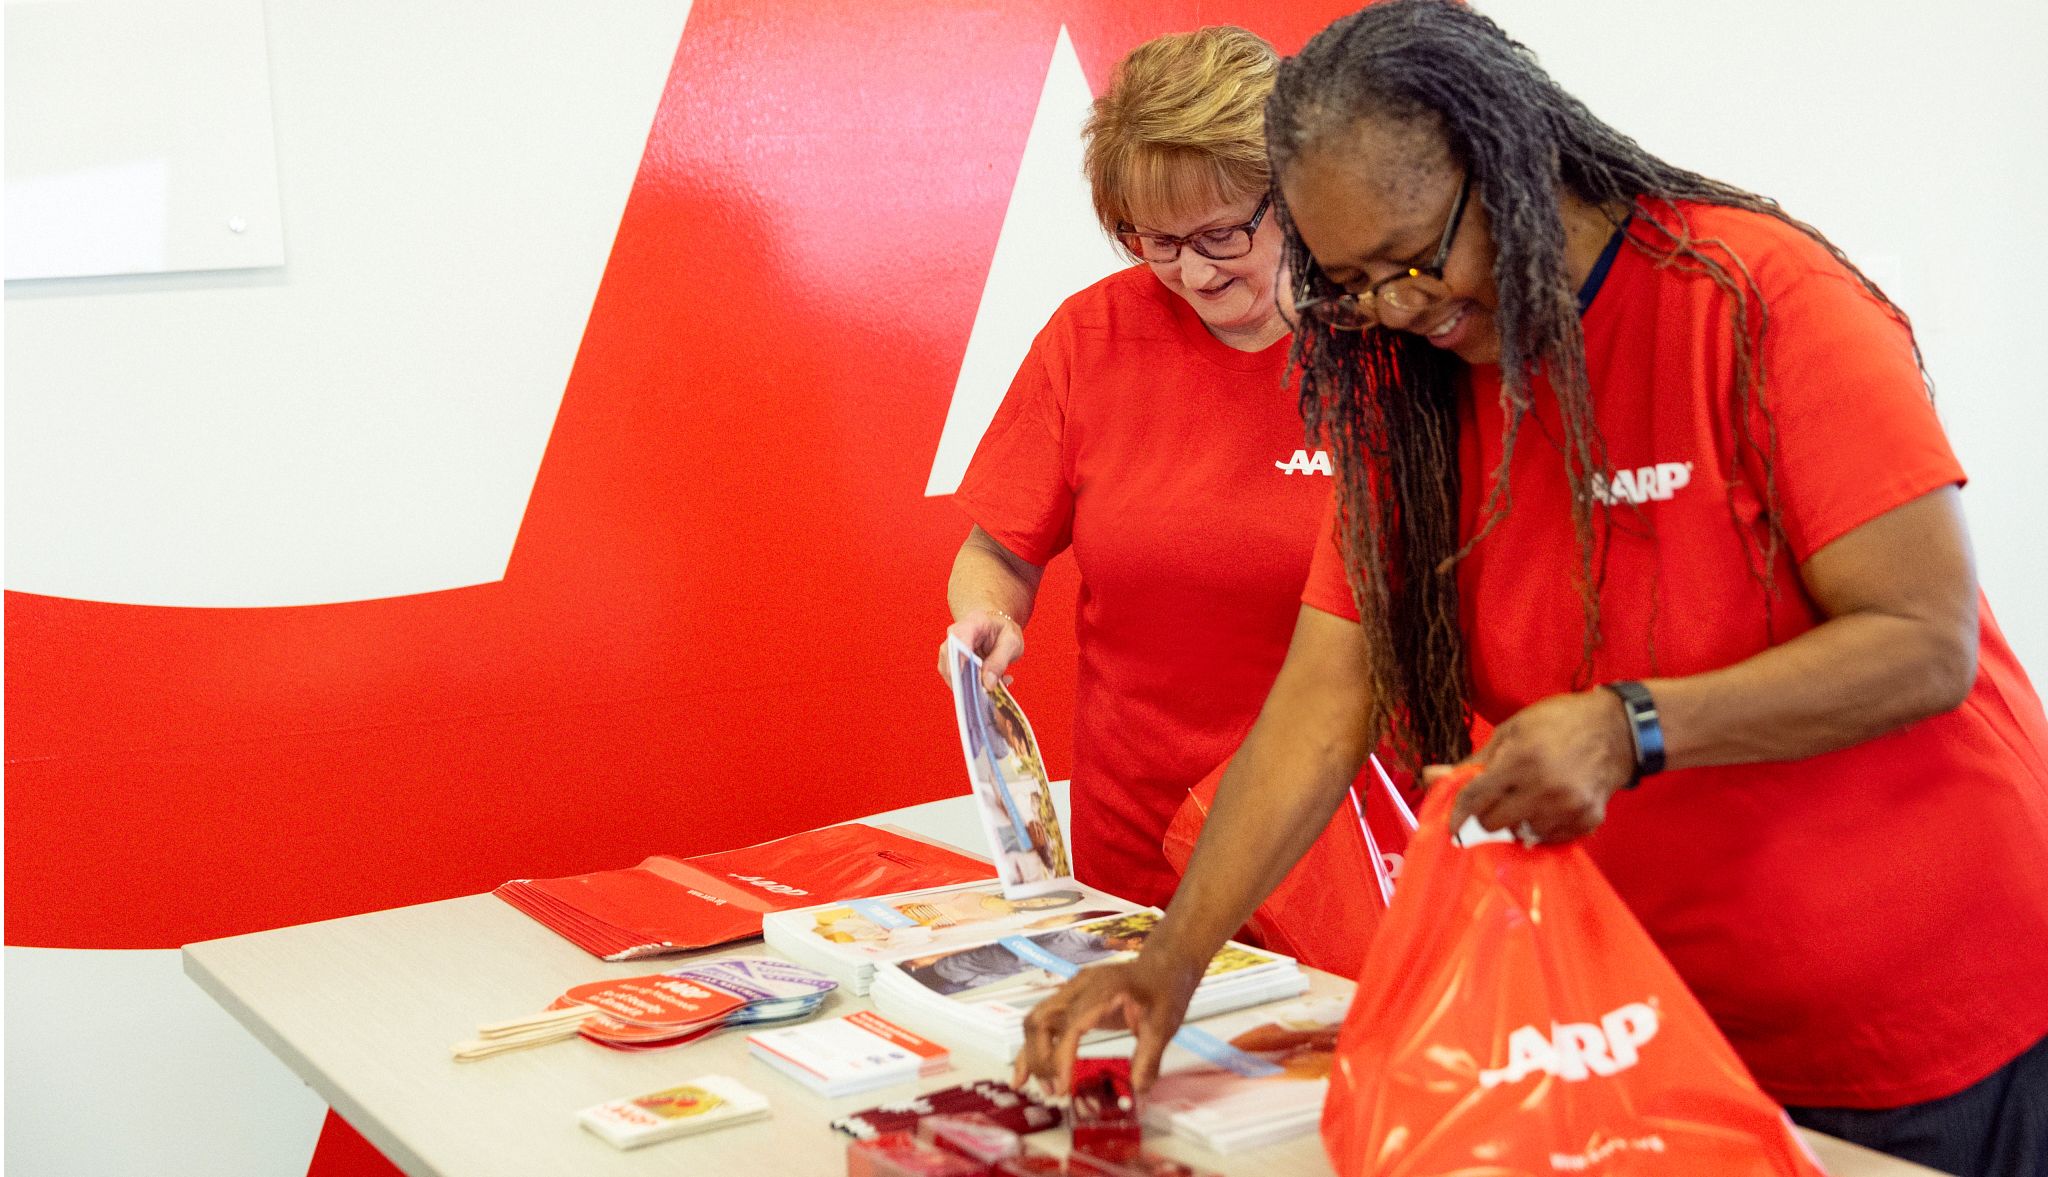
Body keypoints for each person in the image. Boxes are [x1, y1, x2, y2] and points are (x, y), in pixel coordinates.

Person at [1012, 4, 2048, 1174]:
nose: (1398, 306)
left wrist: (1631, 725)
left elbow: (1921, 639)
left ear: (1508, 155)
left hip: (1922, 1016)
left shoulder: (1754, 299)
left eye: (1415, 259)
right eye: (1352, 283)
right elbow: (1323, 696)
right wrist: (1168, 966)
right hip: (1650, 1015)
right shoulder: (1407, 388)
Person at [939, 26, 1329, 911]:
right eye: (1154, 239)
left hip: (1334, 845)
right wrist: (985, 619)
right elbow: (997, 550)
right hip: (1135, 858)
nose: (1191, 270)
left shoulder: (1389, 347)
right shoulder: (1094, 336)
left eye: (1223, 232)